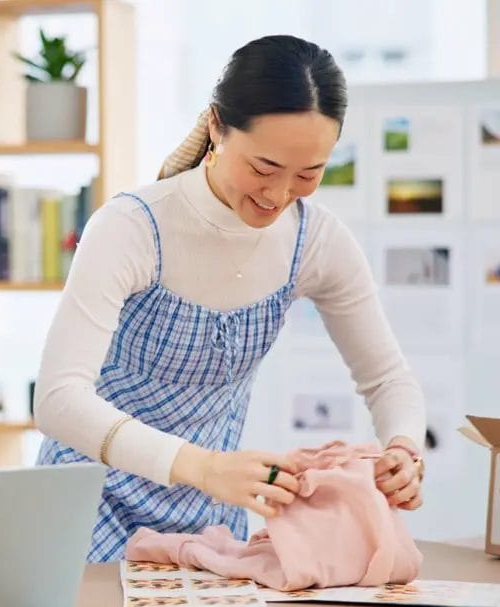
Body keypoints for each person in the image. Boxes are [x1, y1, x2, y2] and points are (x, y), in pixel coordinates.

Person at [33, 35, 427, 562]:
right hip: (86, 505)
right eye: (263, 168)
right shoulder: (131, 228)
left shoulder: (315, 240)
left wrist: (403, 447)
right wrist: (204, 467)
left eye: (308, 174)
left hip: (211, 523)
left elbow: (387, 379)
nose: (278, 194)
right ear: (217, 126)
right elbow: (58, 401)